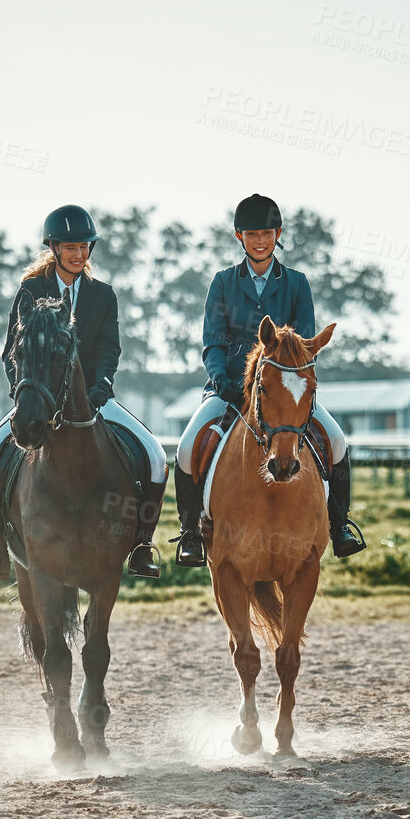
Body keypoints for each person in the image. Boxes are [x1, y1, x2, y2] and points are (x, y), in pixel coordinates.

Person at [0, 204, 167, 582]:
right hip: (38, 400)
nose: (79, 254)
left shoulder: (102, 296)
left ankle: (141, 546)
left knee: (156, 457)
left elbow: (110, 349)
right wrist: (23, 394)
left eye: (84, 247)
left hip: (93, 400)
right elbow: (12, 350)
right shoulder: (31, 290)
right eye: (71, 247)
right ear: (54, 248)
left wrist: (101, 386)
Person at [170, 193, 364, 566]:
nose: (260, 241)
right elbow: (212, 342)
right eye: (252, 234)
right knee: (186, 447)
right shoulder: (223, 283)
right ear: (239, 237)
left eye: (267, 234)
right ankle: (191, 533)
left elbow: (305, 344)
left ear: (278, 234)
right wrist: (221, 379)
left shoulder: (296, 283)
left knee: (336, 441)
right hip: (229, 389)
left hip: (286, 389)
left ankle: (339, 526)